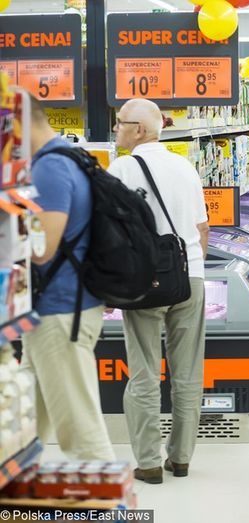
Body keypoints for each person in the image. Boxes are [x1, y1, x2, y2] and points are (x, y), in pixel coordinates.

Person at [108, 98, 209, 484]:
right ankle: (181, 458)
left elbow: (111, 232)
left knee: (144, 373)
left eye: (120, 123)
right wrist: (193, 264)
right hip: (189, 277)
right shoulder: (185, 166)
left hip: (143, 280)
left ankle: (148, 463)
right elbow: (202, 229)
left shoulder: (121, 168)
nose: (116, 128)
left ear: (139, 129)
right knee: (187, 373)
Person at [22, 95, 115, 461]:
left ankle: (109, 511)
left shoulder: (49, 167)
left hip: (62, 313)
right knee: (23, 425)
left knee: (81, 432)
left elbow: (43, 248)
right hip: (58, 308)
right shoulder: (68, 156)